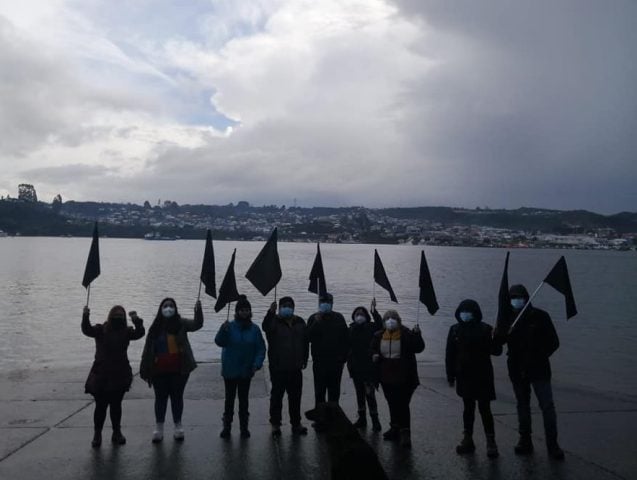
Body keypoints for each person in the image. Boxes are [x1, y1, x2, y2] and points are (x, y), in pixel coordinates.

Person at [495, 284, 565, 460]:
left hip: (539, 368)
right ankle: (525, 440)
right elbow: (498, 344)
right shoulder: (506, 318)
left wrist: (538, 355)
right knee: (522, 404)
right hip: (517, 369)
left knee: (547, 406)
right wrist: (501, 332)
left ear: (526, 297)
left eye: (519, 297)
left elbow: (554, 342)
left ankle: (553, 444)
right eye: (513, 297)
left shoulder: (540, 316)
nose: (516, 300)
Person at [140, 298, 203, 443]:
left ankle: (178, 426)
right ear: (160, 308)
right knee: (160, 399)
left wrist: (198, 311)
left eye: (171, 306)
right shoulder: (155, 327)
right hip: (159, 371)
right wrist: (145, 367)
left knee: (177, 397)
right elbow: (147, 350)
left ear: (175, 308)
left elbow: (197, 324)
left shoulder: (181, 323)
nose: (168, 308)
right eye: (166, 306)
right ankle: (159, 428)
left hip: (179, 370)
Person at [82, 304, 145, 448]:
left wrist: (136, 320)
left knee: (116, 406)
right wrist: (85, 316)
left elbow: (140, 333)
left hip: (120, 373)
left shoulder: (127, 331)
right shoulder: (100, 330)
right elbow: (86, 330)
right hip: (101, 374)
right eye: (116, 314)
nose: (118, 317)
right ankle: (97, 434)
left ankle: (117, 432)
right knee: (100, 407)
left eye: (121, 315)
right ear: (110, 316)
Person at [446, 299, 502, 458]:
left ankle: (491, 442)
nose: (465, 314)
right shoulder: (454, 330)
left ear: (475, 313)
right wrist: (450, 375)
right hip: (464, 376)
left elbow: (497, 351)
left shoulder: (486, 329)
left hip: (483, 375)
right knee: (468, 409)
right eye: (463, 311)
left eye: (468, 311)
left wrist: (497, 337)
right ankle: (468, 439)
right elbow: (449, 354)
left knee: (485, 409)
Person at [371, 309, 425, 448]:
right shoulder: (379, 335)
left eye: (393, 317)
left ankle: (405, 433)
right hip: (386, 376)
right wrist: (374, 355)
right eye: (387, 318)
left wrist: (417, 335)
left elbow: (418, 348)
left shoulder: (406, 334)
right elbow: (373, 349)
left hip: (404, 376)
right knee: (391, 402)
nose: (390, 320)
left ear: (399, 320)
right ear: (384, 322)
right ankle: (395, 428)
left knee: (402, 404)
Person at [215, 295, 266, 439]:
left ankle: (244, 428)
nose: (244, 312)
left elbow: (261, 349)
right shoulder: (229, 327)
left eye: (247, 310)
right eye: (242, 310)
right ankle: (227, 427)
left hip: (246, 371)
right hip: (230, 370)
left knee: (244, 401)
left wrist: (257, 364)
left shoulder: (255, 330)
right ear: (237, 312)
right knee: (229, 400)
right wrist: (222, 330)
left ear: (250, 312)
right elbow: (219, 342)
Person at [262, 296, 309, 437]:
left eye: (290, 305)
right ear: (280, 307)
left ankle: (296, 424)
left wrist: (305, 358)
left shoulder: (300, 321)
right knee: (276, 397)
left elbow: (305, 342)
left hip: (295, 367)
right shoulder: (274, 321)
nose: (287, 307)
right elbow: (265, 327)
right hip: (278, 367)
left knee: (295, 397)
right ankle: (275, 424)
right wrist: (270, 312)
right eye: (285, 305)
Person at [307, 292, 349, 429]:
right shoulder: (313, 318)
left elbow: (345, 339)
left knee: (334, 391)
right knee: (319, 391)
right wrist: (316, 323)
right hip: (319, 362)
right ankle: (320, 419)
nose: (326, 304)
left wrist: (343, 357)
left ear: (332, 303)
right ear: (319, 303)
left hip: (336, 362)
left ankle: (334, 418)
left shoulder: (339, 318)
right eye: (323, 302)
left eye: (328, 302)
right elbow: (307, 338)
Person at [347, 298, 383, 431]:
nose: (359, 316)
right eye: (357, 314)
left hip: (369, 368)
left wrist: (374, 311)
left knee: (370, 394)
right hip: (356, 368)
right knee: (359, 394)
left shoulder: (372, 327)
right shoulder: (351, 329)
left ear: (366, 316)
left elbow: (381, 325)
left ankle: (375, 420)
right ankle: (362, 418)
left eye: (362, 314)